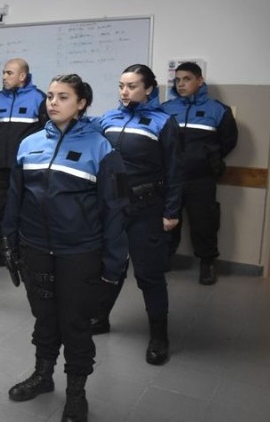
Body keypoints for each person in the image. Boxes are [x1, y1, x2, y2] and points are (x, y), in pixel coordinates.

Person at [3, 74, 128, 422]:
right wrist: (9, 241)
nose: (53, 103)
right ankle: (43, 376)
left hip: (80, 252)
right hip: (36, 248)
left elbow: (115, 209)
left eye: (63, 97)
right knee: (44, 319)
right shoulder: (29, 144)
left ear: (81, 103)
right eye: (51, 96)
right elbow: (14, 197)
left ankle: (76, 393)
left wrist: (113, 263)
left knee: (74, 323)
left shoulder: (100, 147)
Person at [93, 64, 182, 366]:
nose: (124, 92)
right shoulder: (108, 118)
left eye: (131, 86)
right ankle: (100, 317)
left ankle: (159, 336)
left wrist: (171, 211)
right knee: (109, 267)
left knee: (148, 273)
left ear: (148, 89)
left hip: (146, 209)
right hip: (111, 209)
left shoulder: (162, 122)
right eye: (121, 86)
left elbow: (174, 170)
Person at [161, 62, 238, 284]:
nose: (181, 84)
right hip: (171, 178)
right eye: (178, 79)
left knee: (205, 223)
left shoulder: (218, 110)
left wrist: (207, 158)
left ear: (199, 80)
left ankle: (207, 263)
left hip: (201, 178)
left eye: (187, 79)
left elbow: (228, 141)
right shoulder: (166, 109)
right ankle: (164, 259)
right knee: (168, 220)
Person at [0, 58, 47, 269]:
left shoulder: (40, 99)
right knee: (2, 211)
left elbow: (46, 134)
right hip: (1, 167)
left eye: (9, 73)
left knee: (27, 212)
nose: (4, 77)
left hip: (26, 169)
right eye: (4, 72)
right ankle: (0, 253)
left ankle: (24, 256)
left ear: (22, 76)